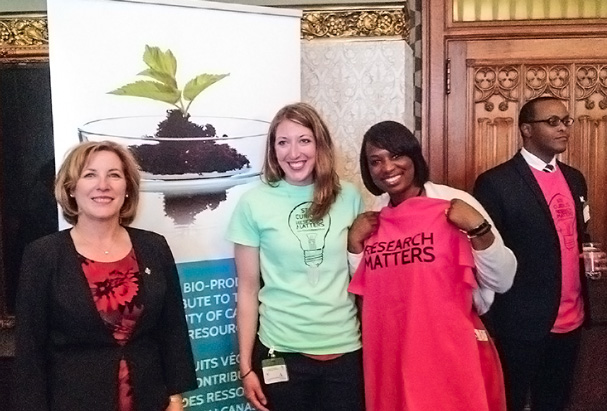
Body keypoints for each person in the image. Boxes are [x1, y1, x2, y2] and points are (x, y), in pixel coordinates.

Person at [14, 141, 197, 411]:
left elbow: (172, 330)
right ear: (71, 189)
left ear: (127, 189)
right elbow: (30, 352)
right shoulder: (42, 256)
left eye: (114, 174)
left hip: (150, 400)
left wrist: (175, 397)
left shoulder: (153, 247)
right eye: (90, 175)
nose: (103, 185)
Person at [348, 120, 516, 411]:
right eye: (376, 161)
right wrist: (354, 246)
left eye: (397, 155)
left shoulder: (454, 202)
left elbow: (503, 280)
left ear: (414, 156)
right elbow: (371, 286)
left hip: (450, 347)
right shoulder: (374, 217)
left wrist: (478, 229)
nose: (387, 168)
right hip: (395, 351)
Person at [226, 102, 364, 411]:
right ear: (273, 150)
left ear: (319, 144)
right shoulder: (254, 203)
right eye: (283, 142)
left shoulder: (350, 197)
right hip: (282, 353)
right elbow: (247, 290)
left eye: (304, 140)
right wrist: (246, 366)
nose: (294, 153)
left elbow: (363, 276)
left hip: (346, 352)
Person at [473, 96, 607, 411]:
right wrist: (491, 324)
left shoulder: (574, 178)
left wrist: (585, 254)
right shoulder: (495, 183)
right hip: (519, 324)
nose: (562, 128)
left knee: (555, 402)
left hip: (571, 320)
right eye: (552, 122)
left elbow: (576, 234)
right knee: (510, 402)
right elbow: (484, 256)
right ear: (526, 130)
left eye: (565, 121)